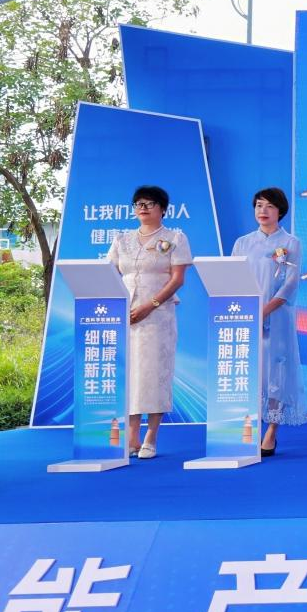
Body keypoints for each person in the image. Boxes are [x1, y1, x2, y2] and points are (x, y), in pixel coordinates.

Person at [108, 185, 193, 459]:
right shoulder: (122, 240)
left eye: (149, 203)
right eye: (138, 204)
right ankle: (131, 436)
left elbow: (177, 279)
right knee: (131, 375)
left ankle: (151, 436)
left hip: (158, 315)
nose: (143, 208)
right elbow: (110, 274)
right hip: (126, 316)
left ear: (163, 209)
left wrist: (150, 305)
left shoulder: (175, 238)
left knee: (154, 374)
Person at [232, 187, 306, 457]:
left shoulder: (291, 243)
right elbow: (233, 278)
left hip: (277, 316)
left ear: (280, 211)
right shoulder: (242, 243)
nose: (263, 211)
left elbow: (290, 284)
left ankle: (271, 431)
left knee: (277, 372)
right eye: (259, 205)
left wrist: (264, 311)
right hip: (246, 317)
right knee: (250, 371)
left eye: (269, 206)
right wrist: (245, 312)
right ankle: (247, 426)